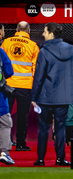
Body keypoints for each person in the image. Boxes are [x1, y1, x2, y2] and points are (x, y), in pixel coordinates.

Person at [31, 22, 73, 166]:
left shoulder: (44, 51)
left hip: (46, 97)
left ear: (51, 33)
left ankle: (40, 159)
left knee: (43, 129)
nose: (43, 34)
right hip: (64, 96)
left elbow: (38, 76)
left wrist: (33, 97)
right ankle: (61, 159)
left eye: (44, 31)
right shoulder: (71, 50)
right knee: (61, 128)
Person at [1, 21, 39, 151]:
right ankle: (21, 144)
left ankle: (5, 143)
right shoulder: (33, 46)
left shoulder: (6, 42)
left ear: (17, 29)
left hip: (8, 85)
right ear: (28, 31)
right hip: (25, 86)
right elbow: (35, 69)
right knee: (22, 116)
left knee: (5, 114)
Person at [0, 42, 14, 165]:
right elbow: (9, 71)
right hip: (0, 97)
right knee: (5, 123)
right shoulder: (0, 51)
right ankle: (5, 153)